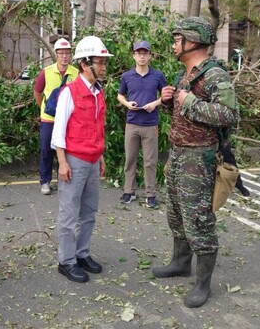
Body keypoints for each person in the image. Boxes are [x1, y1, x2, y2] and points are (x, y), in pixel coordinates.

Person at [152, 17, 239, 308]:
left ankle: (203, 284)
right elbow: (182, 112)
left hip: (198, 157)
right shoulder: (184, 75)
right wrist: (168, 101)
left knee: (199, 219)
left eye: (178, 39)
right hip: (177, 153)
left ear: (193, 41)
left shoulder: (215, 76)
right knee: (176, 213)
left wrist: (188, 101)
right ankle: (180, 262)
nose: (174, 44)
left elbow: (229, 115)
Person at [51, 36, 113, 283]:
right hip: (74, 161)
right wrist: (62, 162)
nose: (103, 67)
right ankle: (66, 261)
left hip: (92, 159)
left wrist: (101, 156)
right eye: (100, 62)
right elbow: (58, 131)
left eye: (104, 62)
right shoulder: (70, 92)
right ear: (85, 64)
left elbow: (98, 127)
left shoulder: (98, 92)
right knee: (69, 214)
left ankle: (82, 253)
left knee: (88, 212)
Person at [117, 41, 167, 208]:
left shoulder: (157, 76)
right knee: (130, 159)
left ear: (150, 56)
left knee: (150, 161)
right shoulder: (127, 76)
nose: (142, 56)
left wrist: (155, 103)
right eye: (139, 53)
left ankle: (150, 194)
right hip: (132, 123)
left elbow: (167, 95)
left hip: (150, 124)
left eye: (145, 53)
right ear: (134, 56)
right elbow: (120, 95)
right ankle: (129, 191)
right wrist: (127, 104)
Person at [34, 38, 79, 195]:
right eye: (61, 53)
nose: (64, 57)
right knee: (46, 149)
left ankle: (65, 180)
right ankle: (45, 181)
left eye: (67, 53)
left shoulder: (76, 73)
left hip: (69, 119)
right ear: (56, 54)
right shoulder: (46, 72)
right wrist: (44, 108)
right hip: (49, 119)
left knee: (68, 150)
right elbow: (37, 92)